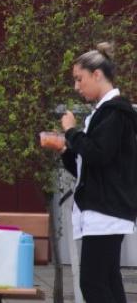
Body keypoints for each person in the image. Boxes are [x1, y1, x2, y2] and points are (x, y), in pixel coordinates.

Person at [57, 43, 137, 303]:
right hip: (104, 208)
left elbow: (99, 154)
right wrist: (65, 150)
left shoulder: (115, 112)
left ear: (97, 74)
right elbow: (88, 168)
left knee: (92, 282)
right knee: (108, 280)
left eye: (79, 79)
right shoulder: (104, 113)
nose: (76, 87)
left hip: (107, 209)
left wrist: (71, 132)